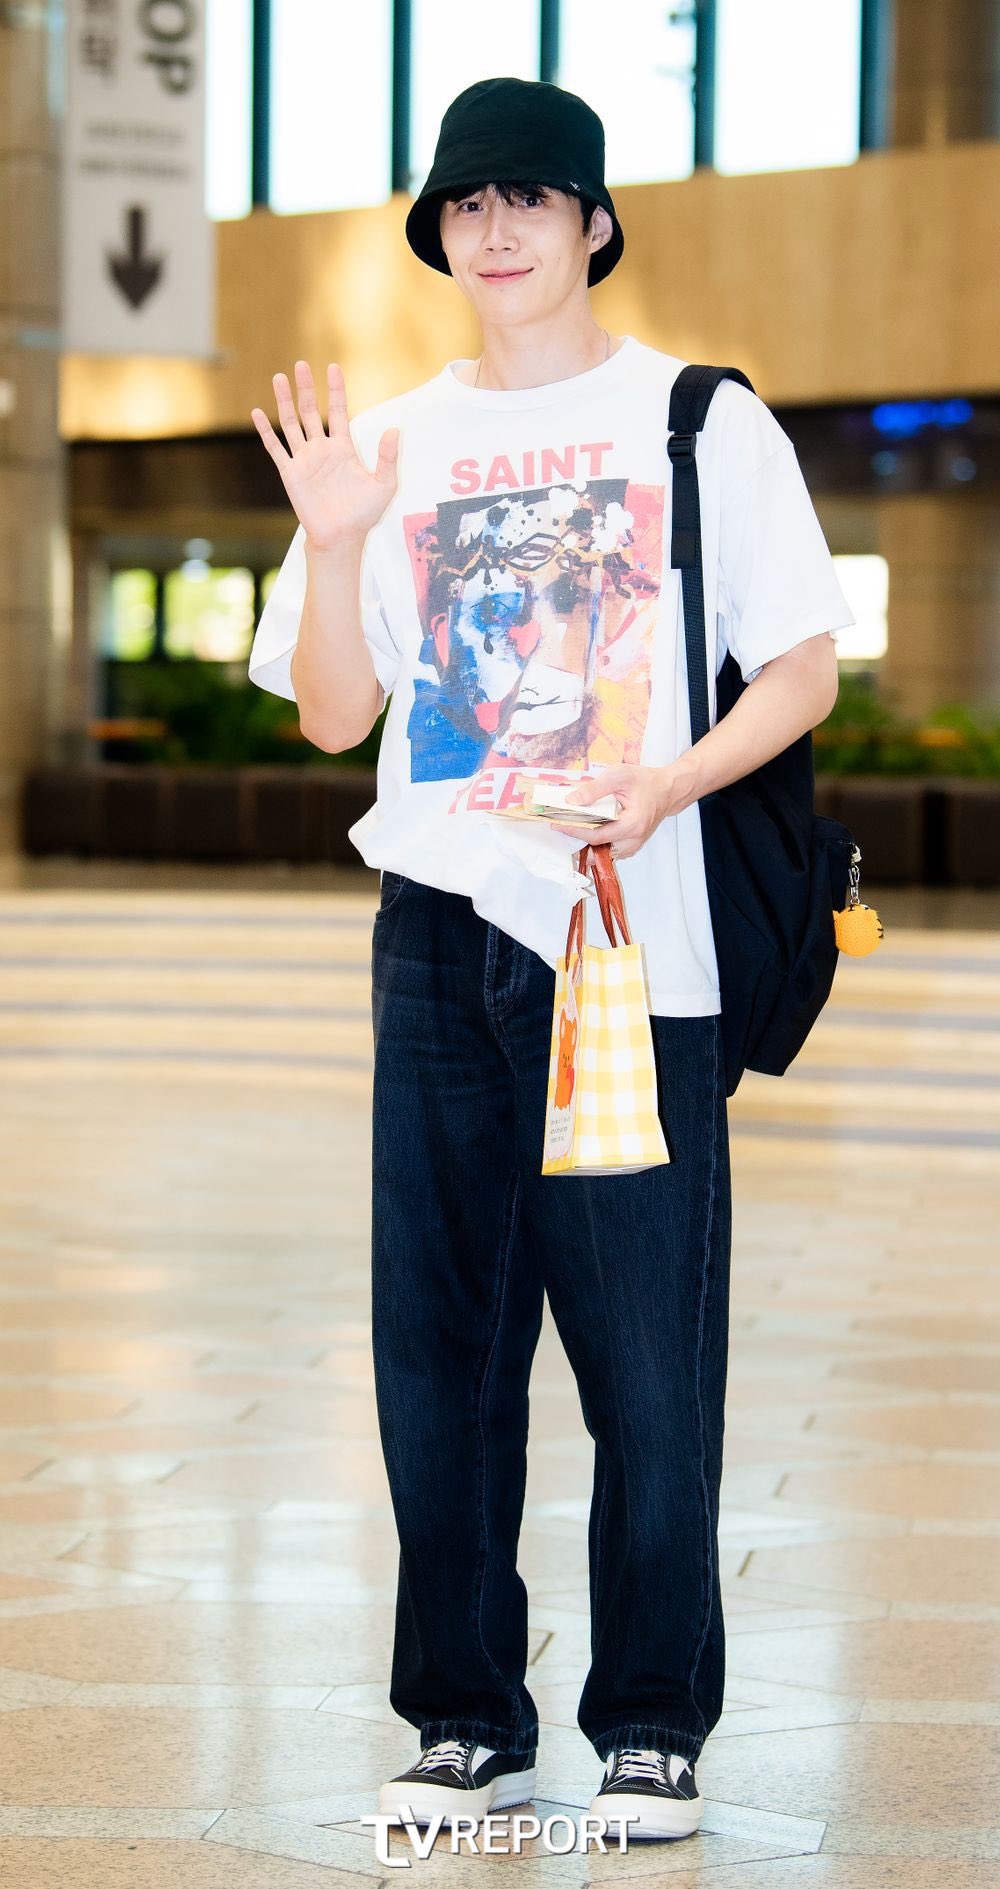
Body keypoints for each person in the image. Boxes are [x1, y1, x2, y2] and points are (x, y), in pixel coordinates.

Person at [247, 76, 855, 1845]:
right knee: (439, 1347)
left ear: (594, 222)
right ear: (439, 235)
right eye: (466, 202)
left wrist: (667, 782)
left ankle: (651, 1719)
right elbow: (332, 716)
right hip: (439, 934)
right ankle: (464, 1716)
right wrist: (338, 536)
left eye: (531, 197)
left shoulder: (697, 421)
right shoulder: (395, 444)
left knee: (646, 1351)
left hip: (622, 934)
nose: (496, 228)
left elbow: (804, 667)